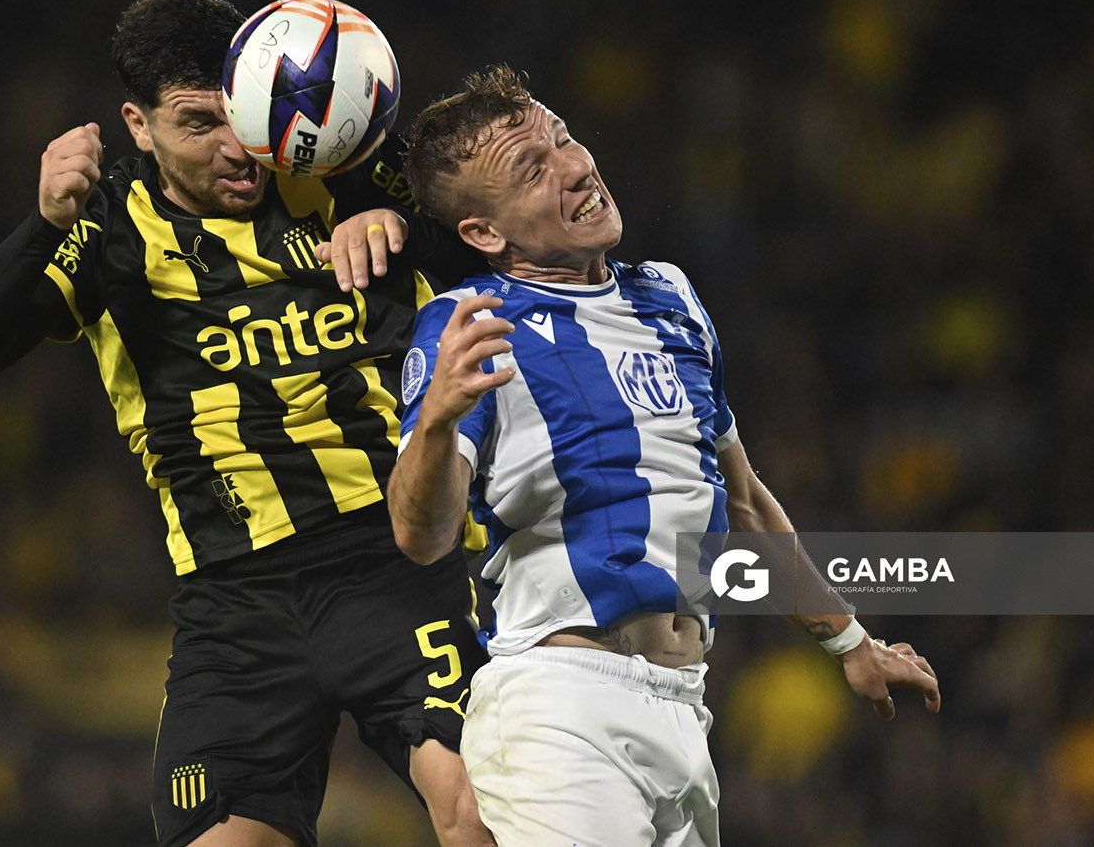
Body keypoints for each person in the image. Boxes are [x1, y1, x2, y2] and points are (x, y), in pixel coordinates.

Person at [0, 0, 493, 847]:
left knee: (476, 809)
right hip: (233, 605)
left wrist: (403, 224)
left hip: (394, 557)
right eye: (199, 124)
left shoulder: (338, 170)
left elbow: (500, 244)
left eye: (241, 113)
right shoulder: (109, 228)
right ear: (138, 123)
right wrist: (45, 225)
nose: (239, 148)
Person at [378, 65, 940, 846]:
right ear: (483, 232)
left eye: (563, 138)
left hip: (684, 706)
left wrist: (849, 640)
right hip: (561, 708)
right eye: (531, 169)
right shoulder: (469, 324)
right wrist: (436, 422)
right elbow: (422, 536)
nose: (575, 168)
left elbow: (742, 500)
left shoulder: (669, 297)